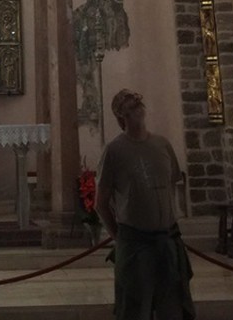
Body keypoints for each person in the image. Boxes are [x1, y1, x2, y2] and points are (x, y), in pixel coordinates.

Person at [95, 89, 195, 320]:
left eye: (138, 105)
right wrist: (120, 238)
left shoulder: (161, 145)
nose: (137, 110)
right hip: (136, 243)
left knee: (172, 307)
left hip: (166, 238)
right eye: (130, 107)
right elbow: (101, 203)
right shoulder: (114, 151)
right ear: (121, 117)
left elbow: (171, 182)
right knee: (134, 309)